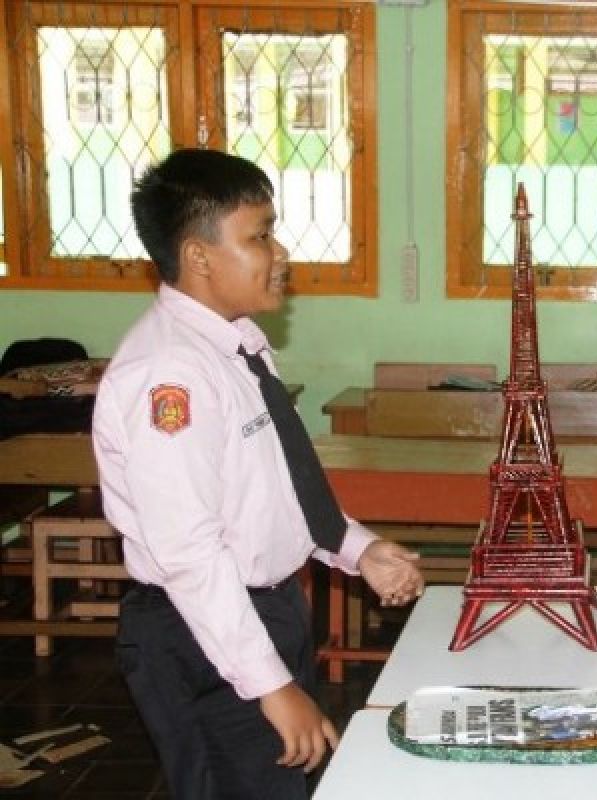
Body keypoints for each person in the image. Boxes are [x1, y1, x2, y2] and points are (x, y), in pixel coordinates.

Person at [93, 148, 425, 799]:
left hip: (259, 615)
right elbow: (190, 550)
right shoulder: (171, 377)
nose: (281, 254)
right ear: (199, 256)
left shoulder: (236, 344)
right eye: (260, 235)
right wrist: (272, 686)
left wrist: (359, 550)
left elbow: (274, 491)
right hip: (203, 634)